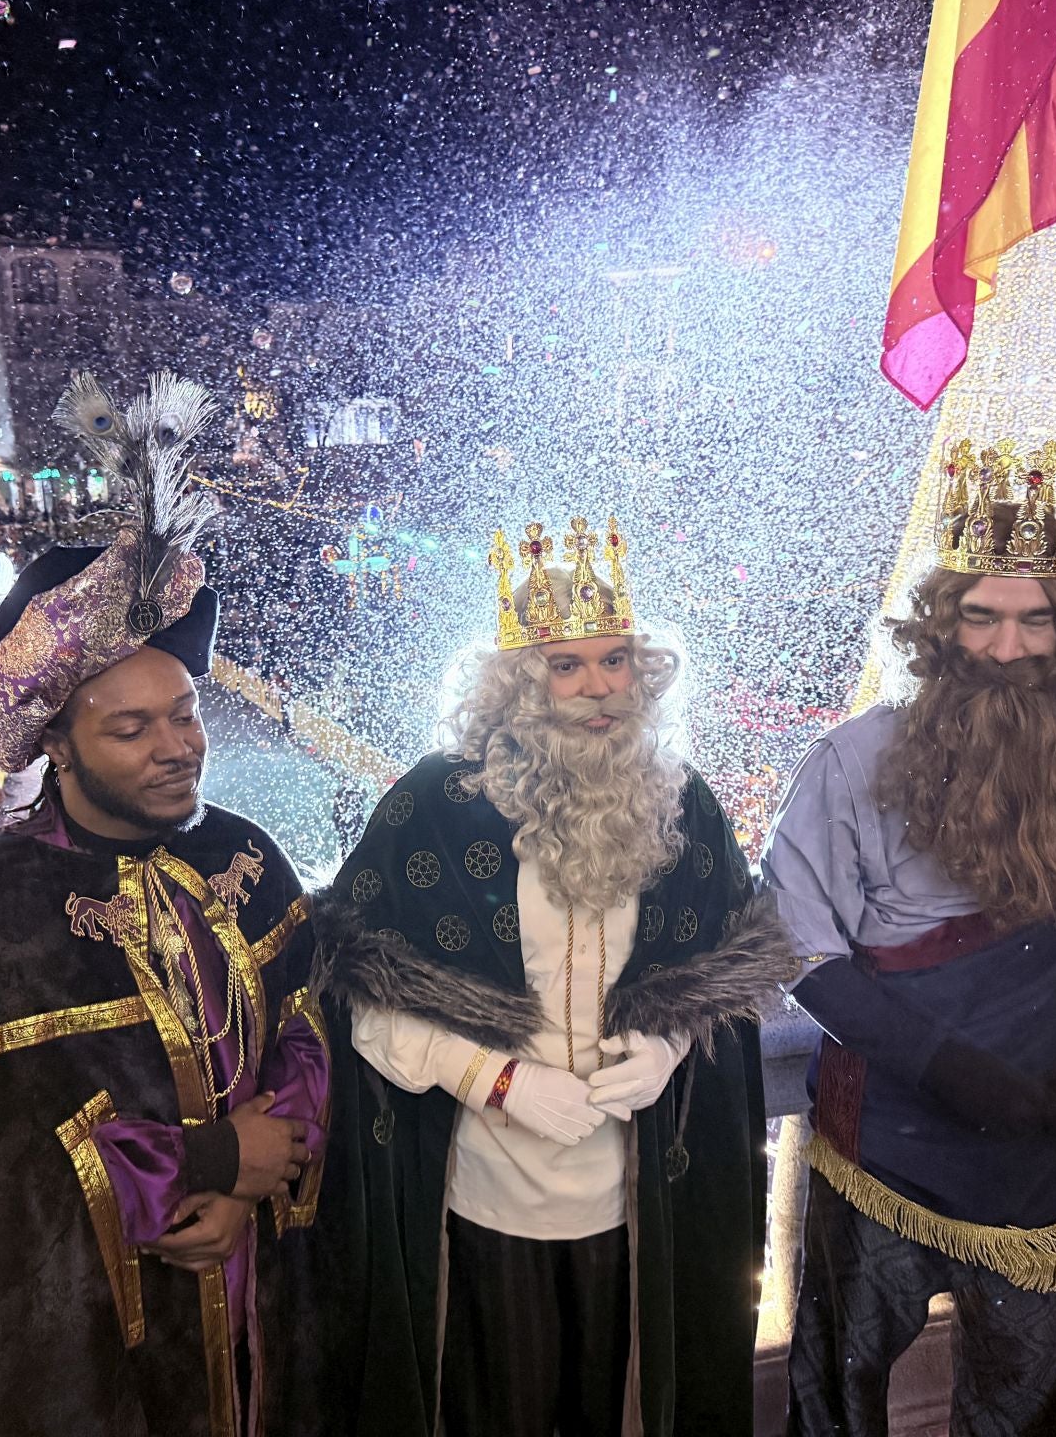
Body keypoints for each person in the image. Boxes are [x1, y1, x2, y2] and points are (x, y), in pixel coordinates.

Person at [0, 373, 330, 1437]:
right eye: (131, 729)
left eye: (183, 713)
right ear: (57, 743)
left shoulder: (247, 857)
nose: (178, 746)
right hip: (102, 1369)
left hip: (271, 1327)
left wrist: (275, 1155)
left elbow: (313, 1031)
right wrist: (210, 1168)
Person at [767, 439, 1056, 1437]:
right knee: (839, 1386)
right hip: (884, 1132)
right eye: (981, 616)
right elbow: (795, 944)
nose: (1007, 648)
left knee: (1027, 1401)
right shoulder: (851, 760)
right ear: (941, 623)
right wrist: (939, 1060)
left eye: (1035, 619)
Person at [317, 517, 798, 1436]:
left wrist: (665, 1045)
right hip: (487, 1199)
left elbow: (722, 976)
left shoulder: (683, 803)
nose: (597, 689)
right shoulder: (433, 805)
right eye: (565, 666)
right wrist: (495, 1079)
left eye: (614, 661)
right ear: (517, 680)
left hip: (641, 1202)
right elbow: (360, 996)